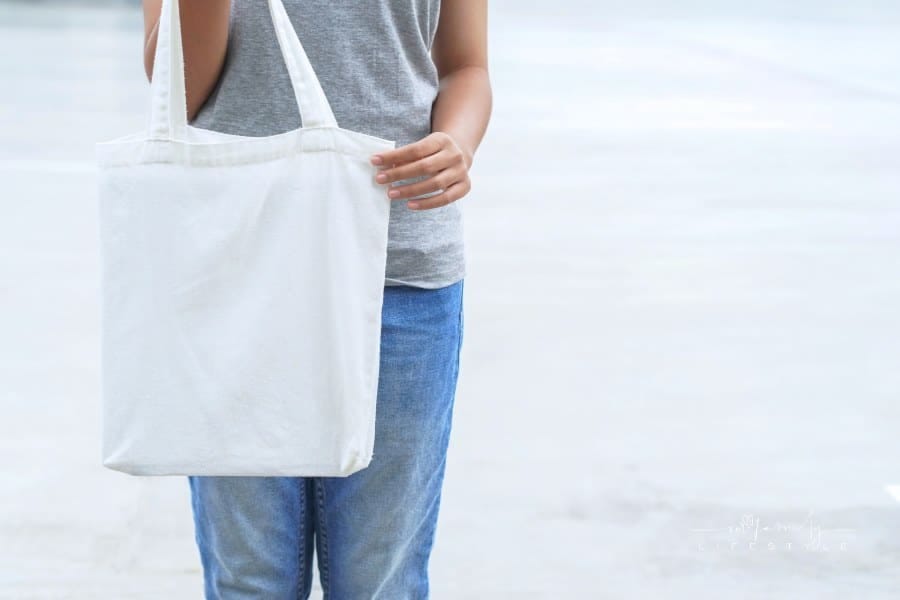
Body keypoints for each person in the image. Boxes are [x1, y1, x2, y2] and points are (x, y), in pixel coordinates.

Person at [140, 0, 492, 598]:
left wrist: (457, 143)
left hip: (399, 268)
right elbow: (176, 89)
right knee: (250, 580)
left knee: (380, 579)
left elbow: (465, 67)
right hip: (239, 272)